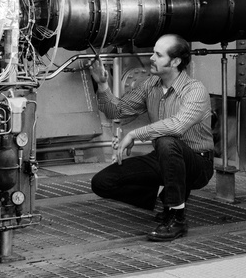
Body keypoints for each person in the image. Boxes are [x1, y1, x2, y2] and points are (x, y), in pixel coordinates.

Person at [88, 33, 214, 241]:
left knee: (166, 140)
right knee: (102, 182)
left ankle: (176, 216)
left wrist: (135, 134)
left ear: (175, 62)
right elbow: (117, 111)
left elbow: (177, 126)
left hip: (197, 163)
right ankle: (162, 196)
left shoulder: (195, 90)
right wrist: (102, 85)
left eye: (158, 55)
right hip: (164, 158)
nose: (151, 58)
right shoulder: (151, 85)